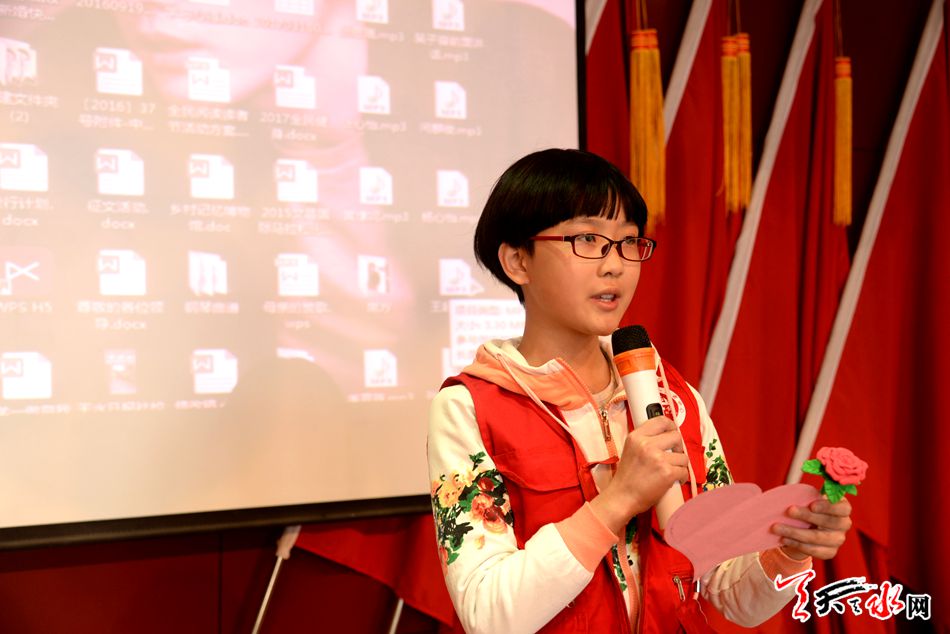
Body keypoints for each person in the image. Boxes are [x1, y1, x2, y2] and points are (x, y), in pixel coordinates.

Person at [426, 149, 853, 633]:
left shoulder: (674, 396)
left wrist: (788, 550)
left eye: (628, 242)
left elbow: (732, 594)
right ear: (517, 260)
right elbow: (489, 616)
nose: (615, 265)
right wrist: (620, 499)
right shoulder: (470, 407)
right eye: (588, 239)